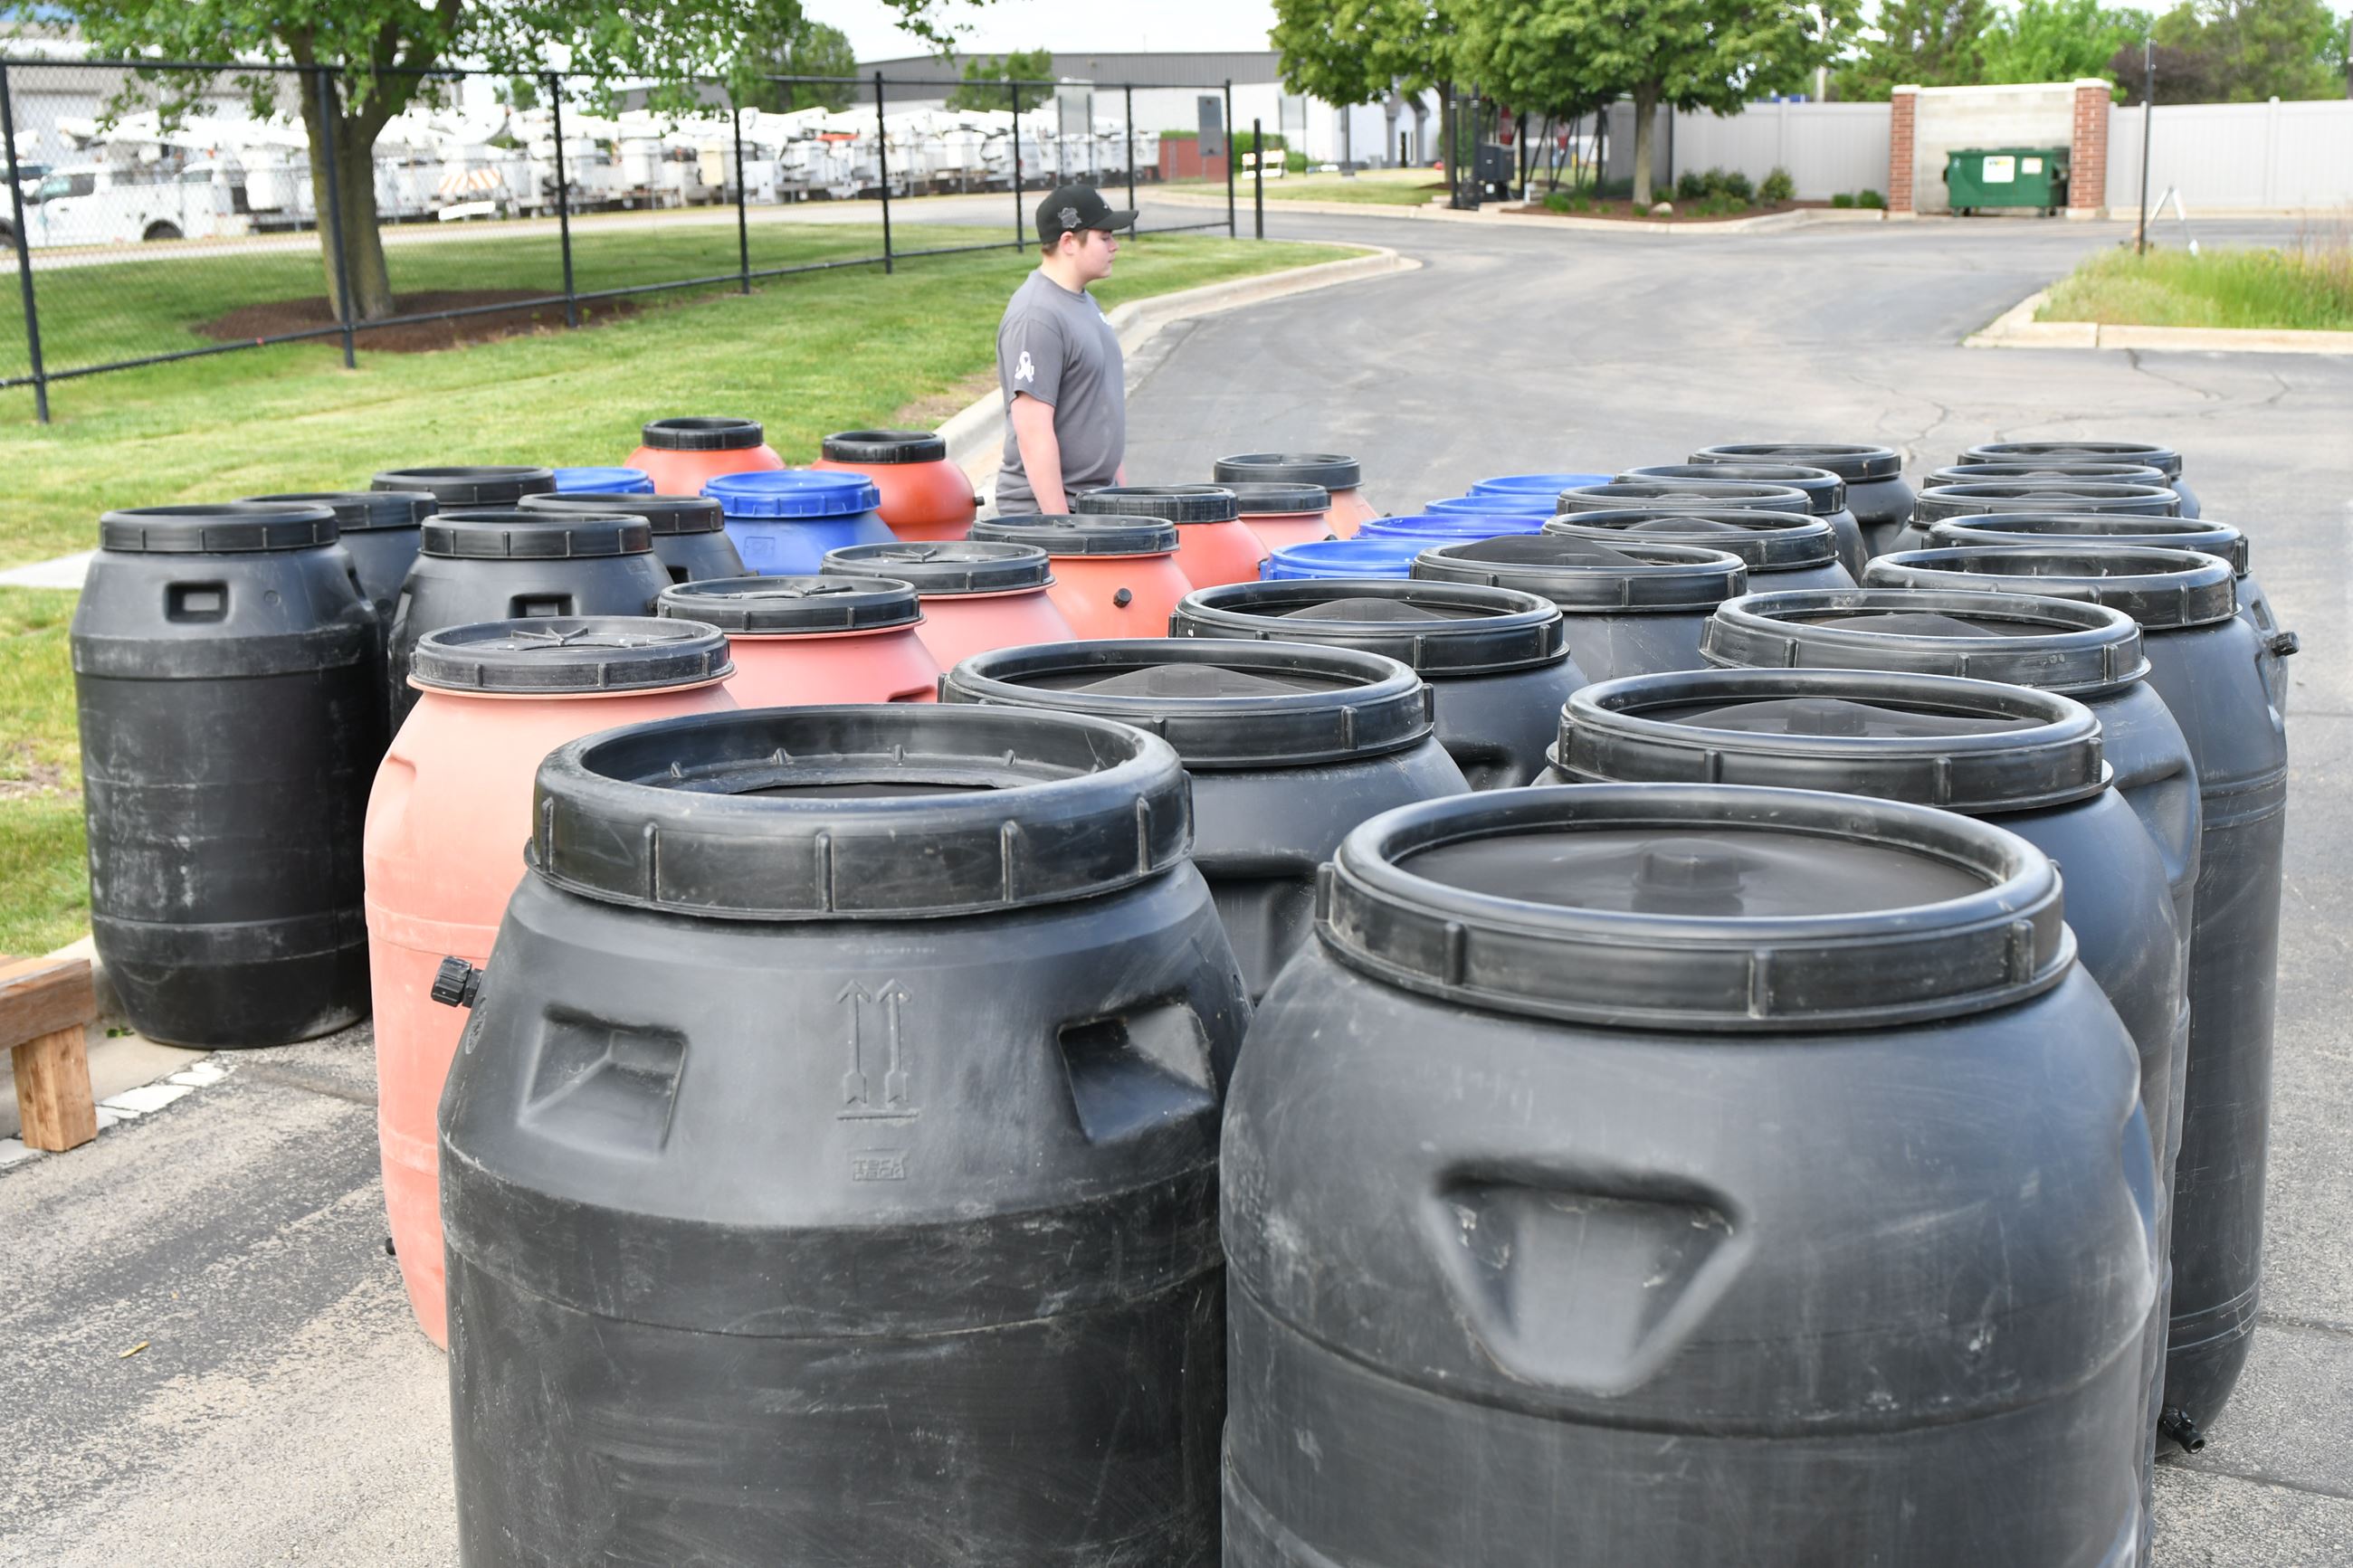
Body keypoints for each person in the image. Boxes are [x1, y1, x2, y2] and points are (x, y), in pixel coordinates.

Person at [992, 183, 1137, 516]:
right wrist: (1062, 530)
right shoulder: (1037, 316)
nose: (1115, 246)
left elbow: (1100, 408)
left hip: (1095, 505)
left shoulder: (1083, 301)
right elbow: (1033, 432)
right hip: (1052, 516)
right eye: (1105, 237)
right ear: (1069, 242)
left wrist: (1124, 500)